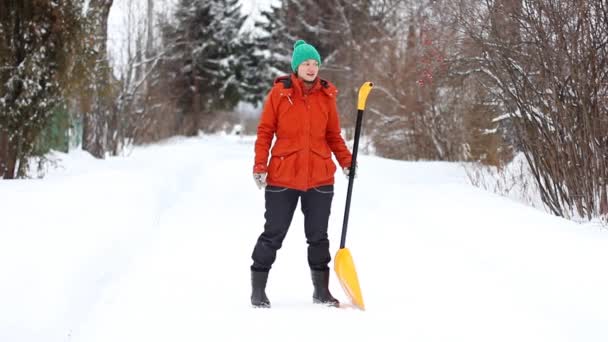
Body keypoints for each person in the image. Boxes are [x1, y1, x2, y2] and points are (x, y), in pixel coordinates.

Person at [250, 39, 354, 308]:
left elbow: (333, 135)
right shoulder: (279, 94)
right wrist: (260, 165)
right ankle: (258, 291)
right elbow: (265, 133)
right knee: (273, 234)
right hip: (283, 176)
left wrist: (347, 161)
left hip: (319, 176)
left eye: (315, 63)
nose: (311, 68)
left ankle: (321, 291)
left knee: (318, 236)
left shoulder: (326, 96)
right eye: (306, 63)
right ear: (296, 67)